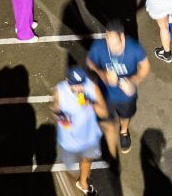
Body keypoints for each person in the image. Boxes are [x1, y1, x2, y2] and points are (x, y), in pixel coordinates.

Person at [87, 18, 150, 155]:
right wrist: (103, 74)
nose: (110, 44)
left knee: (125, 115)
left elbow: (145, 66)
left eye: (113, 40)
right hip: (105, 93)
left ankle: (124, 131)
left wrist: (134, 81)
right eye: (108, 39)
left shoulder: (134, 48)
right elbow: (90, 62)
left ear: (122, 36)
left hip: (125, 96)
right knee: (104, 117)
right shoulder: (99, 46)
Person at [54, 65, 107, 196]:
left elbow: (104, 113)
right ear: (67, 80)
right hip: (69, 138)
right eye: (75, 85)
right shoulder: (59, 90)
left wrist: (91, 103)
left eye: (81, 84)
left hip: (88, 136)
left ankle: (83, 183)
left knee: (87, 160)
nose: (78, 88)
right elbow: (55, 109)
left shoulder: (92, 88)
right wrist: (60, 116)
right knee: (69, 164)